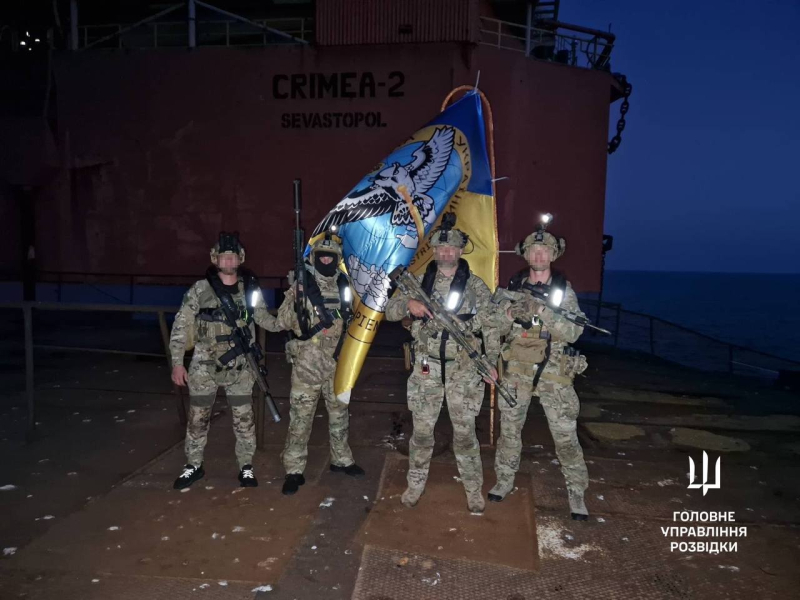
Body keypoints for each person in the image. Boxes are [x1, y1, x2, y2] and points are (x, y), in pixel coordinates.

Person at [384, 214, 501, 514]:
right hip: (427, 369)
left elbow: (491, 326)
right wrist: (408, 304)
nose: (447, 253)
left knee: (465, 435)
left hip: (463, 370)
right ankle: (415, 485)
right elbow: (390, 309)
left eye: (452, 249)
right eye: (441, 248)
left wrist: (489, 361)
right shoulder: (419, 282)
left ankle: (473, 490)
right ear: (434, 251)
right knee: (422, 434)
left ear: (460, 251)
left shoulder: (475, 286)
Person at [490, 215, 590, 520]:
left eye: (544, 250)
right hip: (516, 370)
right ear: (525, 254)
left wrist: (544, 311)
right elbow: (490, 325)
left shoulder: (564, 292)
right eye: (534, 250)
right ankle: (504, 481)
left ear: (553, 255)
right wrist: (509, 312)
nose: (539, 255)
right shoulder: (513, 287)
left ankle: (576, 494)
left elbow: (573, 332)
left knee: (565, 437)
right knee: (509, 432)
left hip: (553, 373)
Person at [169, 232, 281, 489]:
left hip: (240, 366)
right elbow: (181, 324)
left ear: (239, 258)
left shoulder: (250, 289)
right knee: (198, 417)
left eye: (232, 256)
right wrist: (177, 362)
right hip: (203, 366)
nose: (228, 261)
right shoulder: (200, 289)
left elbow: (264, 318)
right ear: (215, 259)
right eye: (224, 256)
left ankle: (246, 467)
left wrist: (293, 321)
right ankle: (193, 465)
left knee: (244, 419)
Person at [277, 233, 364, 496]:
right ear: (314, 258)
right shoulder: (303, 284)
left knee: (339, 414)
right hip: (307, 363)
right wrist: (296, 295)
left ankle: (341, 459)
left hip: (337, 360)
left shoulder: (343, 284)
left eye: (330, 256)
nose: (326, 259)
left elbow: (354, 316)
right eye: (321, 256)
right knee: (301, 419)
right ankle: (294, 469)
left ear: (337, 260)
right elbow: (282, 321)